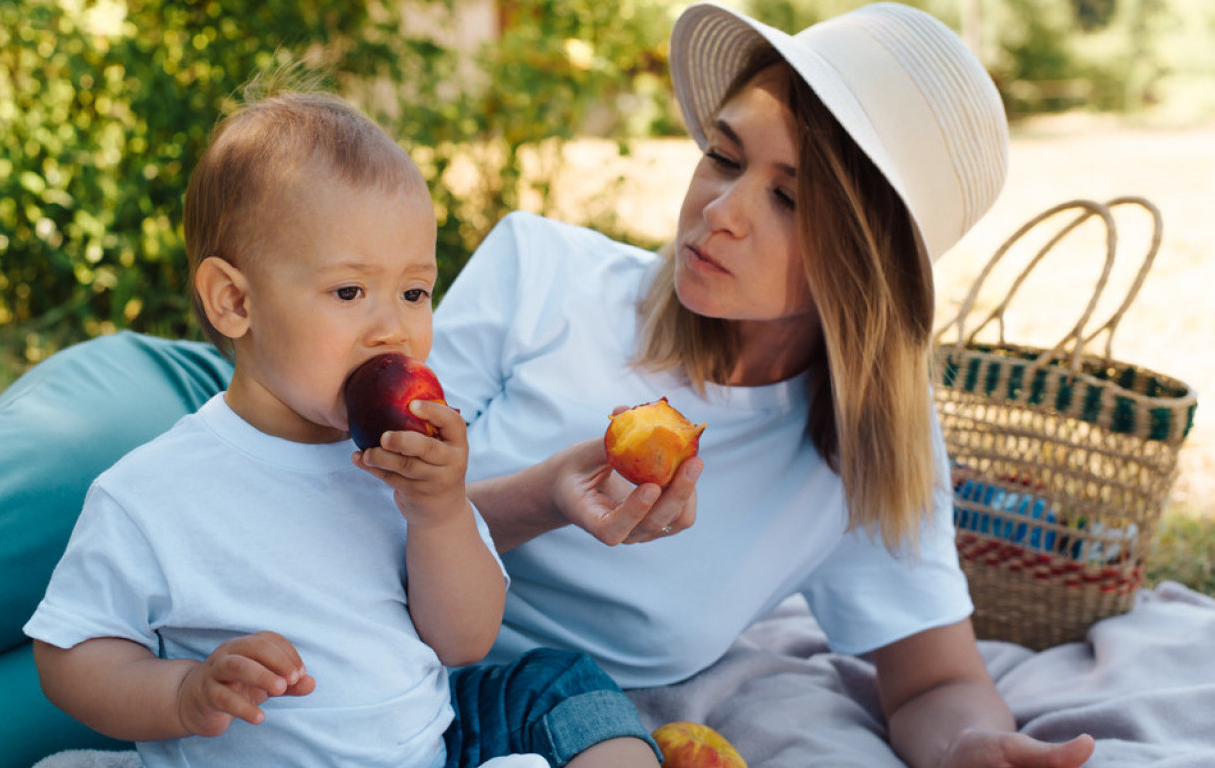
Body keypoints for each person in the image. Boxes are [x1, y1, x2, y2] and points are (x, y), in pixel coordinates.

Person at [423, 3, 1096, 768]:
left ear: (867, 265)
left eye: (789, 198)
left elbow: (934, 682)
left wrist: (971, 747)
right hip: (365, 657)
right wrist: (540, 501)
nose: (721, 210)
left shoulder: (857, 451)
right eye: (723, 154)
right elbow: (335, 515)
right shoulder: (537, 276)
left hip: (565, 730)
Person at [23, 75, 662, 768]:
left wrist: (440, 513)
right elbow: (71, 654)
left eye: (415, 291)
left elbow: (463, 644)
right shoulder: (152, 494)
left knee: (564, 686)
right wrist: (183, 692)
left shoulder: (405, 465)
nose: (392, 329)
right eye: (349, 291)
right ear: (234, 301)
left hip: (433, 747)